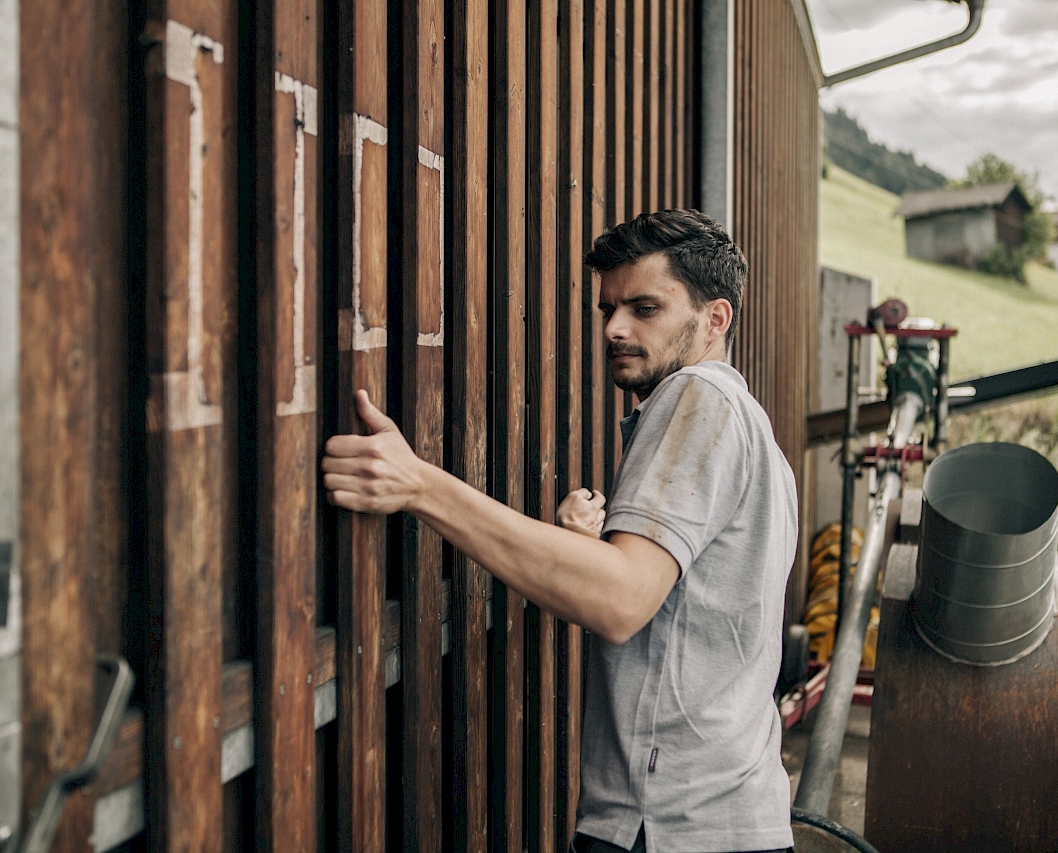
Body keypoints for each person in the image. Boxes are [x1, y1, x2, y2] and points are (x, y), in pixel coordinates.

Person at [322, 209, 796, 853]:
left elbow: (621, 600)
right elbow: (681, 610)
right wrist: (586, 550)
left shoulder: (698, 397)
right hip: (726, 815)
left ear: (716, 319)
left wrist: (421, 486)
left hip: (672, 827)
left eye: (645, 308)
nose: (616, 329)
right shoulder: (753, 429)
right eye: (608, 310)